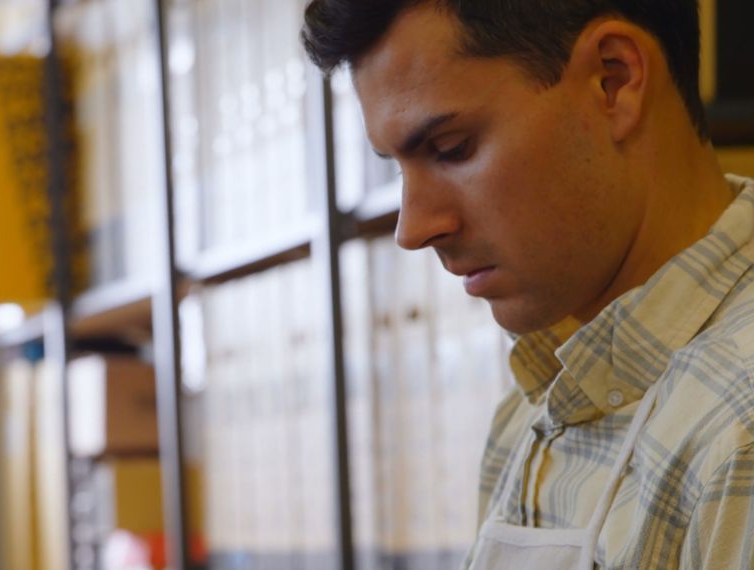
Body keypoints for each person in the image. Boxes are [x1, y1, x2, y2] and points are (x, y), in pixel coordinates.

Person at [302, 1, 754, 568]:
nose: (412, 228)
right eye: (399, 168)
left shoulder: (739, 433)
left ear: (613, 81)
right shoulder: (528, 411)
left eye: (451, 149)